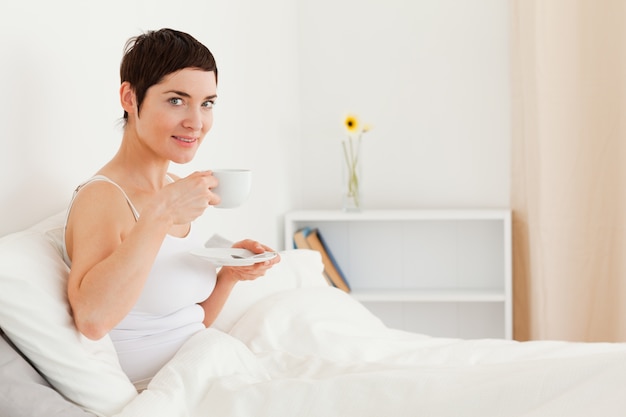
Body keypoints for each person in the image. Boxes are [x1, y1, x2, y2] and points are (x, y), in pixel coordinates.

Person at [62, 28, 280, 389]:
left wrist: (228, 276)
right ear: (130, 98)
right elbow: (93, 320)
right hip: (164, 390)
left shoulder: (173, 188)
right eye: (176, 100)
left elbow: (181, 326)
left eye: (207, 103)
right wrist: (160, 214)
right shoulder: (103, 197)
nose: (196, 121)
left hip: (206, 370)